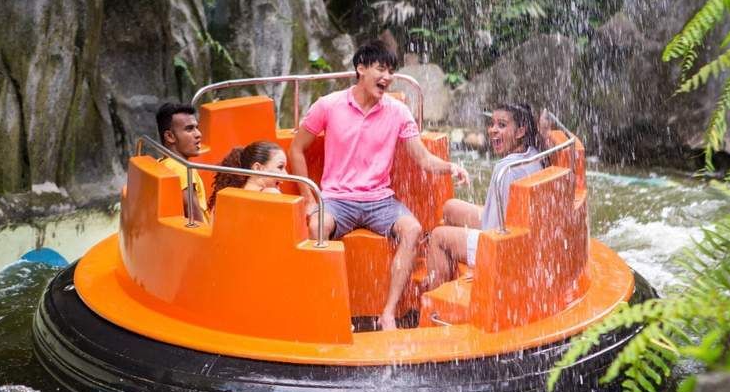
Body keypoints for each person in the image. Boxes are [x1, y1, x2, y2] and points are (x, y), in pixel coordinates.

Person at [289, 40, 470, 331]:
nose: (387, 77)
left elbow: (423, 158)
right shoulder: (329, 105)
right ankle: (330, 309)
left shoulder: (398, 112)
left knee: (412, 229)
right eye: (380, 69)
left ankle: (388, 313)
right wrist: (308, 197)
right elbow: (296, 149)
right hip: (336, 198)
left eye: (391, 71)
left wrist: (452, 167)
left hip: (380, 200)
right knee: (317, 227)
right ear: (361, 69)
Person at [426, 103, 548, 288]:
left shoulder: (505, 170)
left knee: (437, 236)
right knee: (450, 207)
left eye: (501, 125)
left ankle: (436, 298)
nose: (492, 130)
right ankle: (447, 269)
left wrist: (477, 260)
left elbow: (491, 230)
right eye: (492, 124)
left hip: (501, 246)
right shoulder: (534, 154)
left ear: (520, 132)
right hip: (516, 229)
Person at [155, 102, 208, 223]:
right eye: (189, 129)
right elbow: (196, 220)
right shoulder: (182, 169)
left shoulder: (162, 162)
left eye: (197, 128)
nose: (198, 134)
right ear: (170, 136)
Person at [208, 141, 288, 210]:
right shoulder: (271, 194)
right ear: (257, 168)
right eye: (280, 167)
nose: (286, 174)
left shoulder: (225, 195)